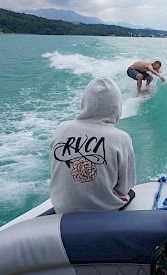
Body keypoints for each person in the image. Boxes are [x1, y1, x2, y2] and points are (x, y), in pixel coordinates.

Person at [49, 77, 136, 213]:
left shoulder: (62, 128)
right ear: (117, 106)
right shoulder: (121, 138)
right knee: (131, 194)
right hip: (103, 213)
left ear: (84, 101)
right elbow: (125, 186)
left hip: (62, 209)